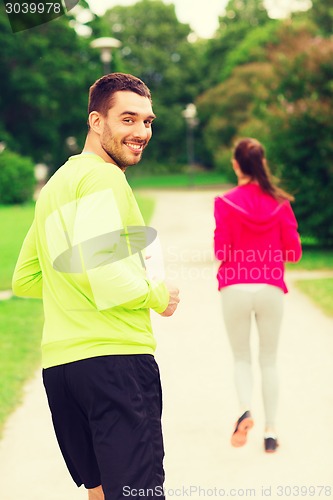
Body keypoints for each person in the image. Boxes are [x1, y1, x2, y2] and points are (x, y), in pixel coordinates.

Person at [12, 72, 180, 499]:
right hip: (116, 364)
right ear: (96, 121)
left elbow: (28, 278)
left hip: (64, 371)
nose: (141, 132)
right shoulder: (105, 178)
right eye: (128, 119)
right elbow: (103, 271)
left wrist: (77, 284)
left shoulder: (55, 186)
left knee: (103, 493)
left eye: (147, 121)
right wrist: (158, 295)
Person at [214, 138, 302, 453]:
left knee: (241, 357)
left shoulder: (225, 202)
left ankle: (244, 410)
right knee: (269, 360)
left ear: (236, 164)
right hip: (270, 287)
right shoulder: (280, 203)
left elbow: (220, 250)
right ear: (261, 163)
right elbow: (293, 252)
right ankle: (271, 431)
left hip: (235, 286)